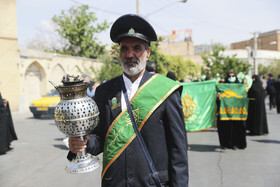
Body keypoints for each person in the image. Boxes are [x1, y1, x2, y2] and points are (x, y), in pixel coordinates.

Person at [68, 14, 189, 186]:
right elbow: (100, 137)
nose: (129, 54)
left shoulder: (166, 91)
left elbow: (178, 151)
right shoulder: (104, 91)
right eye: (124, 48)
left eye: (137, 48)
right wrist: (83, 143)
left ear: (147, 53)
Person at [217, 71, 247, 149]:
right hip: (226, 112)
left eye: (232, 76)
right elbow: (218, 96)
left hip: (236, 112)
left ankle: (238, 143)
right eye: (229, 76)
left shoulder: (240, 86)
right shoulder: (223, 86)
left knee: (238, 127)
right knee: (226, 128)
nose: (231, 78)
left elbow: (244, 96)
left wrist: (244, 84)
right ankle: (226, 143)